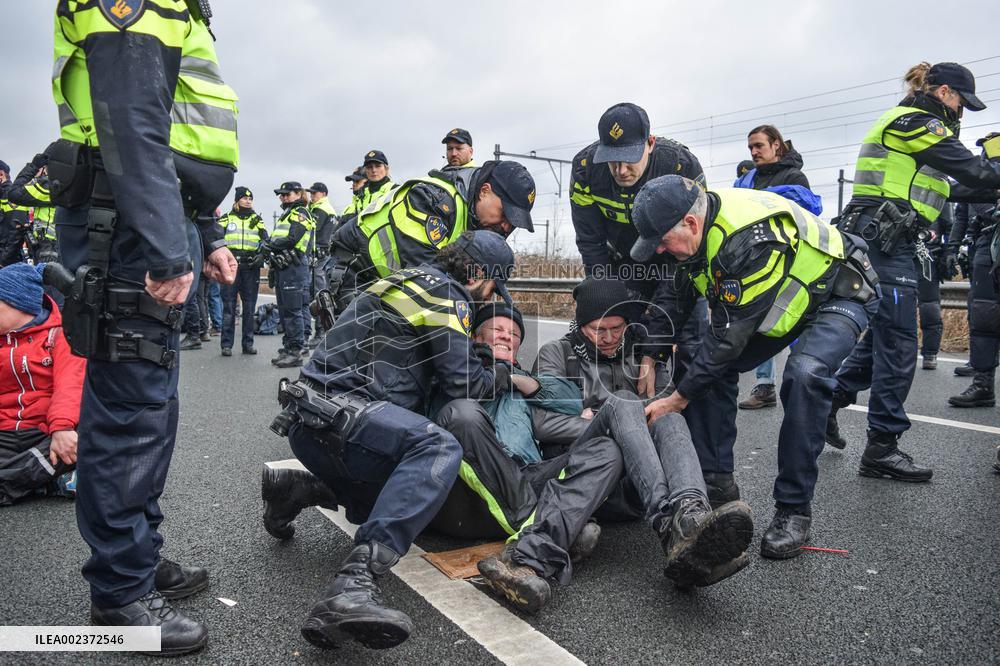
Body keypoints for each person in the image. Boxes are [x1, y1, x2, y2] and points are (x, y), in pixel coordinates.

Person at [52, 1, 239, 654]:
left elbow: (178, 132)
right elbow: (131, 121)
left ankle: (137, 555)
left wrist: (205, 233)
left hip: (147, 213)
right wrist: (165, 242)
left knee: (151, 404)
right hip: (127, 221)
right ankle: (121, 590)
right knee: (131, 408)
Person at [261, 231, 517, 651]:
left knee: (403, 494)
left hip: (310, 425)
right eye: (493, 287)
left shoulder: (405, 279)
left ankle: (301, 488)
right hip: (348, 420)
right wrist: (503, 371)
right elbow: (464, 384)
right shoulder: (447, 295)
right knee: (436, 450)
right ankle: (352, 587)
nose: (490, 298)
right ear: (478, 275)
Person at [632, 176, 879, 558]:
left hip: (838, 291)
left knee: (805, 374)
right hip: (784, 303)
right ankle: (716, 483)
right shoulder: (693, 240)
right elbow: (676, 297)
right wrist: (652, 355)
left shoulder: (747, 240)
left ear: (691, 224)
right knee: (704, 370)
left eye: (663, 241)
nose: (661, 251)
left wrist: (677, 399)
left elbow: (727, 341)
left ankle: (793, 511)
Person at [474, 279, 754, 614]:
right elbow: (543, 423)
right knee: (624, 403)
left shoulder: (644, 356)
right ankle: (670, 527)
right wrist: (620, 424)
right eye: (597, 329)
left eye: (617, 329)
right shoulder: (557, 353)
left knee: (670, 419)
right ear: (581, 325)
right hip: (589, 477)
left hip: (640, 484)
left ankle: (689, 516)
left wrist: (622, 419)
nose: (608, 338)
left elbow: (665, 405)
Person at [825, 62, 1000, 479]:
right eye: (961, 102)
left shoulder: (916, 129)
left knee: (882, 340)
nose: (961, 113)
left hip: (888, 237)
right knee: (900, 344)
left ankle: (826, 402)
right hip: (886, 238)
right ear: (943, 93)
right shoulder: (916, 122)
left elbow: (959, 185)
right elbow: (975, 170)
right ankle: (882, 448)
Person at [569, 102, 708, 421]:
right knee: (621, 339)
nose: (620, 170)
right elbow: (590, 244)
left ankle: (699, 449)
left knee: (691, 348)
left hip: (676, 264)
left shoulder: (681, 166)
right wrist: (606, 298)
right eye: (611, 160)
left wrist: (657, 344)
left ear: (650, 143)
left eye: (629, 159)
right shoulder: (585, 168)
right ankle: (622, 424)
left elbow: (688, 252)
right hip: (621, 268)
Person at [328, 160, 535, 312]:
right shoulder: (430, 199)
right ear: (484, 191)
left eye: (515, 222)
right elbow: (428, 284)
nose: (507, 226)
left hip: (389, 284)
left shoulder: (478, 219)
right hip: (356, 274)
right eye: (506, 214)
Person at [734, 125, 823, 409]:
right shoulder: (747, 179)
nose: (754, 152)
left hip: (789, 264)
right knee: (761, 326)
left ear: (776, 145)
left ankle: (806, 388)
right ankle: (765, 387)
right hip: (755, 264)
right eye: (750, 147)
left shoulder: (794, 177)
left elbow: (805, 220)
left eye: (759, 145)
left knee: (795, 326)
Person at [0, 263, 83, 506]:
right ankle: (44, 483)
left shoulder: (60, 336)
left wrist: (62, 427)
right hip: (5, 432)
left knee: (80, 441)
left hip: (47, 431)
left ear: (19, 303)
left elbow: (70, 387)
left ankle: (12, 484)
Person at [948, 134, 1000, 408]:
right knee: (984, 316)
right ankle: (982, 384)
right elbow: (964, 210)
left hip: (989, 242)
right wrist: (952, 247)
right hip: (986, 245)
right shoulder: (990, 151)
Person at [264, 182, 315, 368]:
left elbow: (293, 238)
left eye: (288, 194)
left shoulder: (301, 213)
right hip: (283, 267)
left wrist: (268, 246)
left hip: (295, 266)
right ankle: (288, 347)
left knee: (293, 310)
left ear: (298, 194)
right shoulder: (287, 214)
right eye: (282, 195)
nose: (284, 197)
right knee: (286, 309)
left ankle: (296, 351)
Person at [218, 186, 267, 356]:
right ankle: (226, 345)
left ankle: (248, 344)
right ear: (237, 200)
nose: (248, 200)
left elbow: (265, 241)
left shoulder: (257, 220)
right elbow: (216, 240)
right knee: (229, 307)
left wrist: (261, 255)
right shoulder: (226, 218)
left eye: (250, 198)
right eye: (245, 198)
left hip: (251, 267)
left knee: (249, 307)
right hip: (231, 267)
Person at [306, 182, 338, 346]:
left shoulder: (322, 209)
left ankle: (321, 333)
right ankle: (320, 332)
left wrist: (317, 252)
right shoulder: (318, 208)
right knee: (316, 293)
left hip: (319, 256)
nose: (312, 195)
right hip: (319, 256)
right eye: (311, 193)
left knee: (318, 295)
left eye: (315, 193)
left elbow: (317, 234)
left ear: (324, 194)